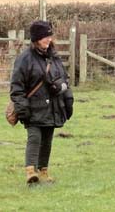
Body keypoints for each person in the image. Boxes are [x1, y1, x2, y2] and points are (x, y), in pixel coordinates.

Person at [10, 20, 74, 184]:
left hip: (52, 107)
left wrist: (67, 99)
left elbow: (64, 78)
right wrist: (22, 108)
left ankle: (43, 171)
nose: (48, 39)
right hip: (32, 107)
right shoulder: (25, 59)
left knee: (47, 139)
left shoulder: (54, 57)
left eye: (49, 36)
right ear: (36, 38)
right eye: (45, 36)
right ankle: (31, 172)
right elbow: (17, 86)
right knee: (34, 138)